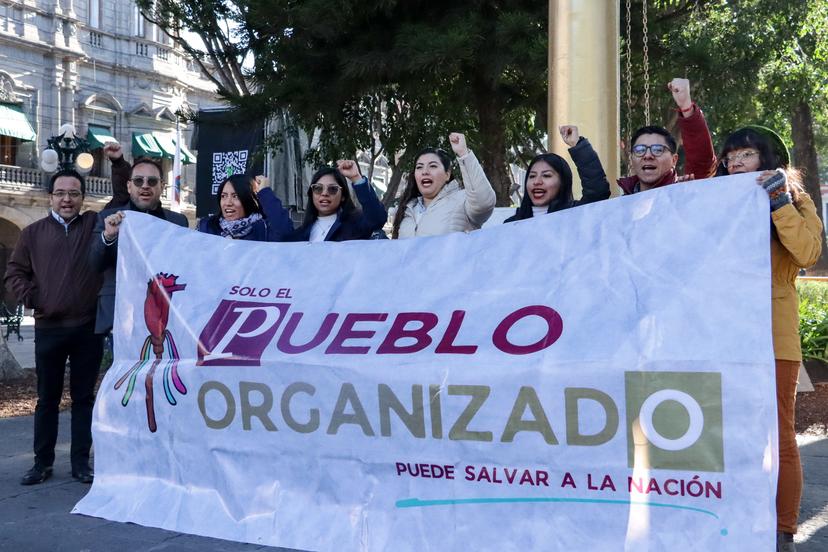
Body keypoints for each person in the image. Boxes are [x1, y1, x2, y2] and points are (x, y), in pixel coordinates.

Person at [718, 126, 822, 552]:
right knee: (722, 433)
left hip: (772, 335)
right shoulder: (715, 203)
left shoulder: (796, 199)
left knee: (779, 435)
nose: (736, 163)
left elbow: (808, 253)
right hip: (718, 333)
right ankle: (731, 521)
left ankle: (783, 531)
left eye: (746, 154)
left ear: (768, 159)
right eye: (731, 156)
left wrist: (778, 201)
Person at [4, 170, 103, 485]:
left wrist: (115, 163)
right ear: (50, 197)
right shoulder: (32, 233)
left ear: (82, 198)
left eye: (74, 193)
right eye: (60, 192)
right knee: (47, 399)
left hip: (87, 328)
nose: (67, 199)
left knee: (84, 398)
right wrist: (33, 297)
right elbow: (14, 272)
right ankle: (41, 463)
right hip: (49, 329)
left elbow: (121, 197)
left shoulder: (92, 225)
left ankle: (80, 463)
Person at [89, 157, 189, 336]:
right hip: (118, 319)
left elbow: (185, 267)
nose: (145, 186)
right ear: (129, 186)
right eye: (138, 181)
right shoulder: (107, 218)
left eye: (152, 181)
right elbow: (94, 264)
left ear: (162, 186)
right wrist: (108, 236)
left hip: (166, 318)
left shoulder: (178, 222)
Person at [618, 78, 718, 194]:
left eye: (658, 150)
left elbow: (702, 161)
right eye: (640, 150)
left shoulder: (685, 191)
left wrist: (686, 106)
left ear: (674, 160)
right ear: (631, 158)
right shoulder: (620, 204)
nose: (648, 155)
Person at [391, 133, 496, 238]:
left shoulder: (464, 201)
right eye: (419, 167)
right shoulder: (407, 210)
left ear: (447, 174)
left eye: (432, 166)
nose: (425, 172)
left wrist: (464, 154)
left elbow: (484, 202)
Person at [504, 125, 610, 223]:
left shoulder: (575, 215)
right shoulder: (511, 224)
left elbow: (597, 193)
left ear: (562, 182)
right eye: (532, 176)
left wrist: (577, 145)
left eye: (546, 175)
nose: (537, 182)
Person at [288, 160, 387, 242]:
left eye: (332, 189)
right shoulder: (299, 235)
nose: (324, 193)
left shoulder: (355, 225)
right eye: (318, 188)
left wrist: (356, 178)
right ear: (311, 193)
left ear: (343, 196)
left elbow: (377, 218)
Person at [197, 174, 293, 241]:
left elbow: (285, 234)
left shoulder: (264, 229)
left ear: (249, 199)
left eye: (235, 196)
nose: (228, 203)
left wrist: (265, 192)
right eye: (224, 196)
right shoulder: (207, 227)